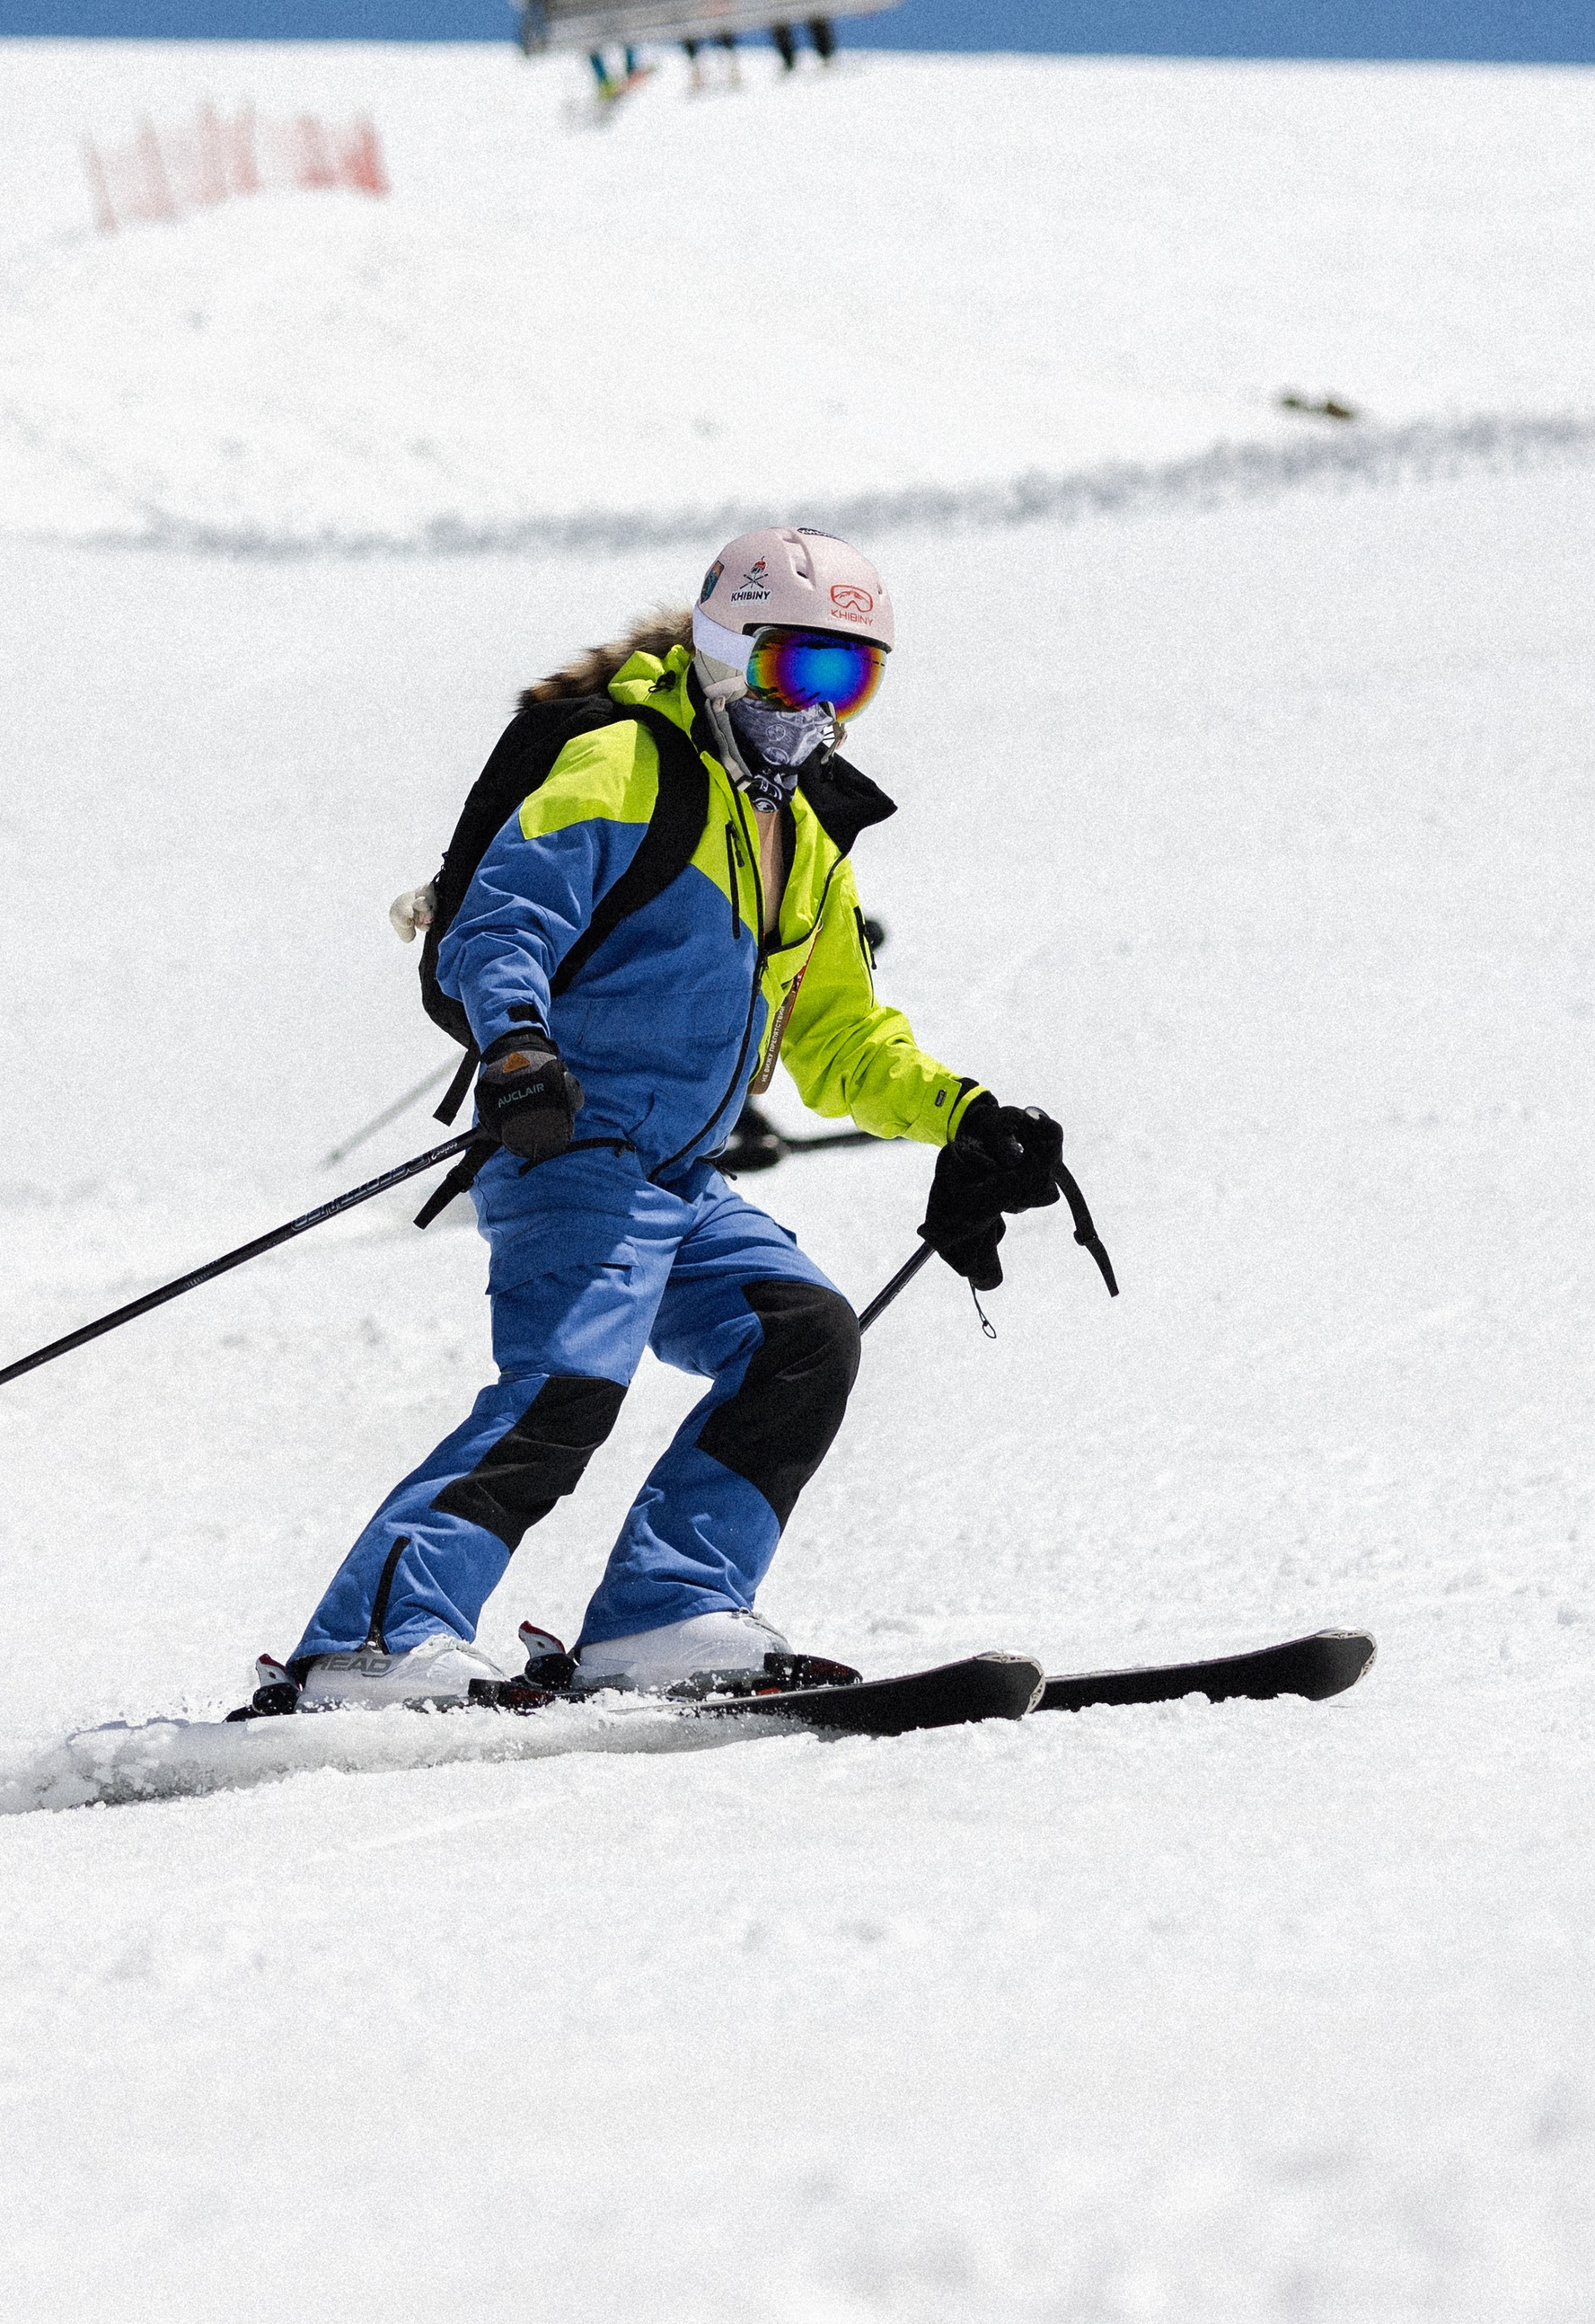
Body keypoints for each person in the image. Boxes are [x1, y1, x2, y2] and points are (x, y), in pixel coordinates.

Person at [278, 526, 1079, 1709]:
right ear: (724, 647)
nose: (821, 707)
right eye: (798, 667)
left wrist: (964, 1117)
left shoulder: (803, 831)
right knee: (563, 1389)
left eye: (852, 677)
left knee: (802, 1337)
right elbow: (501, 923)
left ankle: (664, 1615)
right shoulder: (626, 763)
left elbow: (841, 1039)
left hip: (682, 1176)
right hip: (570, 1142)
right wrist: (518, 1047)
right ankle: (371, 1645)